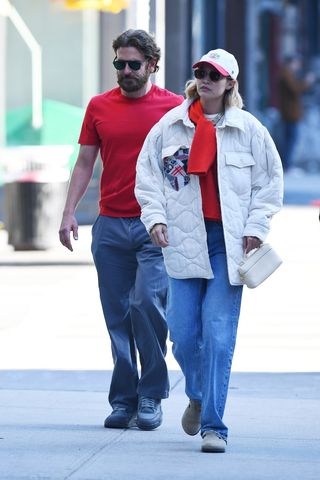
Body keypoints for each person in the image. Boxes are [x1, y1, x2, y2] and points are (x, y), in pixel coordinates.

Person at [135, 48, 283, 452]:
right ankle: (198, 393)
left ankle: (215, 426)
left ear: (230, 83)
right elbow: (147, 175)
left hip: (228, 242)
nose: (205, 80)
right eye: (200, 72)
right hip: (183, 239)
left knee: (218, 334)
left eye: (214, 75)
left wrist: (256, 226)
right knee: (182, 336)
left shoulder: (249, 130)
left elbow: (269, 183)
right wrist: (156, 219)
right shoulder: (170, 126)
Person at [59, 29, 183, 431]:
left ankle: (151, 395)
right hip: (110, 225)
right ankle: (123, 399)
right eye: (119, 64)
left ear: (152, 65)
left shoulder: (174, 108)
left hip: (154, 227)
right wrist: (69, 212)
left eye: (133, 64)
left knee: (147, 304)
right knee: (117, 315)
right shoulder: (98, 106)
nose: (125, 71)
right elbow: (84, 164)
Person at [277, 55, 315, 171]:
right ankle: (287, 165)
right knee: (290, 140)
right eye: (296, 63)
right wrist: (307, 82)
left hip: (290, 113)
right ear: (290, 63)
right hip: (290, 113)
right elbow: (295, 89)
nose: (297, 66)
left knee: (290, 139)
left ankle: (287, 164)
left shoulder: (287, 74)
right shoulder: (286, 75)